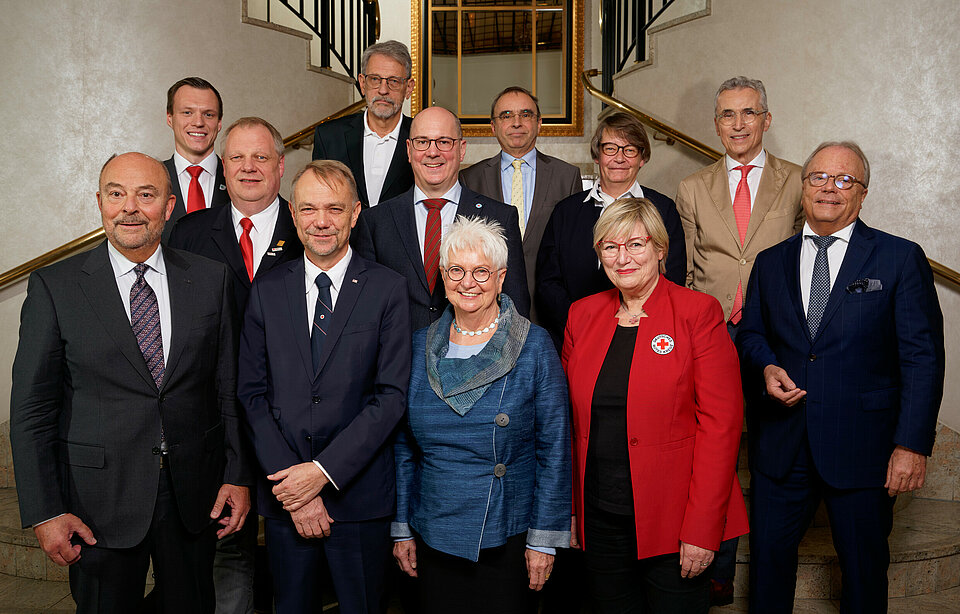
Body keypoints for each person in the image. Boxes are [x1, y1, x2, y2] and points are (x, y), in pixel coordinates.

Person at [10, 152, 253, 614]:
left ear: (169, 205)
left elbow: (227, 388)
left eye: (146, 194)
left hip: (193, 495)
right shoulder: (55, 287)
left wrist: (237, 475)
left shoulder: (209, 279)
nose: (130, 207)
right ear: (99, 202)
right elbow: (31, 411)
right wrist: (46, 509)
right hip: (96, 502)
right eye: (116, 194)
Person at [737, 142, 945, 614]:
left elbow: (922, 358)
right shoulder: (770, 262)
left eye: (844, 180)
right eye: (818, 178)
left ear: (863, 193)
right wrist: (767, 365)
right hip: (782, 445)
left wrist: (911, 445)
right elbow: (751, 334)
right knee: (769, 566)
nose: (830, 188)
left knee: (864, 570)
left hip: (864, 448)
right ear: (803, 185)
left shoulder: (899, 258)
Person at [237, 160, 411, 614]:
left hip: (358, 497)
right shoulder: (267, 288)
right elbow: (251, 394)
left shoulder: (387, 289)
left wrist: (322, 473)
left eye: (334, 209)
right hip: (284, 498)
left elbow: (390, 396)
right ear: (293, 215)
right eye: (310, 209)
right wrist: (294, 485)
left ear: (355, 213)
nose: (321, 221)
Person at [562, 197, 747, 613]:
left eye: (635, 245)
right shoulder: (582, 315)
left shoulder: (698, 313)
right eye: (609, 247)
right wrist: (568, 509)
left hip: (675, 519)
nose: (621, 257)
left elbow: (721, 427)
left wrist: (703, 528)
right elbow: (566, 425)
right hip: (599, 516)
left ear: (661, 250)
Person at [392, 216, 571, 614]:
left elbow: (555, 448)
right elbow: (404, 448)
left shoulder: (534, 345)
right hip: (432, 528)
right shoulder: (419, 346)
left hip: (507, 532)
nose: (467, 282)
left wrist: (543, 539)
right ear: (442, 275)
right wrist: (401, 526)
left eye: (480, 271)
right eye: (456, 270)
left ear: (502, 277)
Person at [674, 75, 803, 604]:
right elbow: (683, 271)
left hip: (774, 334)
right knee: (715, 450)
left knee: (773, 448)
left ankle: (774, 556)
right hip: (710, 332)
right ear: (716, 123)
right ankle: (718, 568)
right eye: (728, 115)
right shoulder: (691, 188)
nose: (738, 124)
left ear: (766, 120)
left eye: (749, 113)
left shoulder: (799, 180)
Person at [169, 116, 303, 613]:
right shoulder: (188, 232)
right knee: (227, 543)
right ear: (222, 167)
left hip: (296, 416)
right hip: (213, 415)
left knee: (297, 552)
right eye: (238, 158)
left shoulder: (308, 224)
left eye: (261, 157)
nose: (249, 168)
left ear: (281, 166)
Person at [353, 105, 530, 331]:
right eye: (422, 142)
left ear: (461, 149)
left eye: (444, 142)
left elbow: (516, 307)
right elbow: (366, 308)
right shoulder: (375, 222)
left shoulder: (499, 217)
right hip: (399, 359)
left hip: (476, 359)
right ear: (408, 149)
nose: (432, 152)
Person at [537, 112, 685, 348]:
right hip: (577, 338)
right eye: (610, 149)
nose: (619, 158)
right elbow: (548, 284)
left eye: (629, 150)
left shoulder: (663, 209)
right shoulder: (566, 212)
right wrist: (579, 327)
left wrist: (637, 324)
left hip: (646, 335)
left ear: (642, 158)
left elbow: (673, 278)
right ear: (597, 155)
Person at [460, 86, 582, 319]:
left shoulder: (566, 176)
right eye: (506, 115)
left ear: (539, 123)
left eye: (525, 114)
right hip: (490, 307)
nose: (516, 122)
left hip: (550, 310)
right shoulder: (470, 178)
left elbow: (571, 252)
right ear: (494, 126)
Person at [313, 40, 416, 207]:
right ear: (362, 83)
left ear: (409, 88)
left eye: (394, 81)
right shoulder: (329, 136)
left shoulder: (422, 139)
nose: (383, 90)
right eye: (375, 79)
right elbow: (318, 198)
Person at [162, 77, 230, 243]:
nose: (198, 122)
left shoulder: (242, 177)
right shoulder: (150, 177)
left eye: (208, 114)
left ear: (219, 122)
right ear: (169, 118)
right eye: (187, 113)